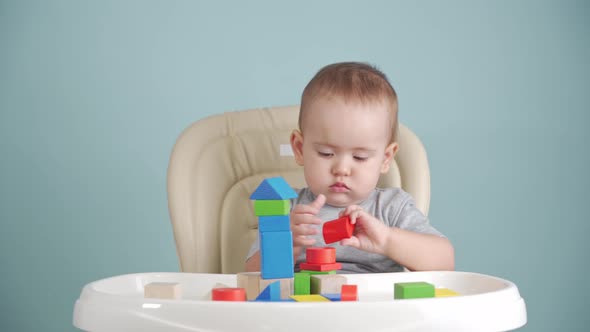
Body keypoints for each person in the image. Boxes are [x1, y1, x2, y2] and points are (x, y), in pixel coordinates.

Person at [245, 62, 454, 273]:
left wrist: (387, 239)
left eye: (360, 157)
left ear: (385, 158)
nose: (342, 169)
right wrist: (285, 244)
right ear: (299, 148)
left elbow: (444, 262)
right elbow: (249, 274)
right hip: (304, 304)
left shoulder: (392, 208)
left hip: (373, 305)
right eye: (326, 154)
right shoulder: (287, 209)